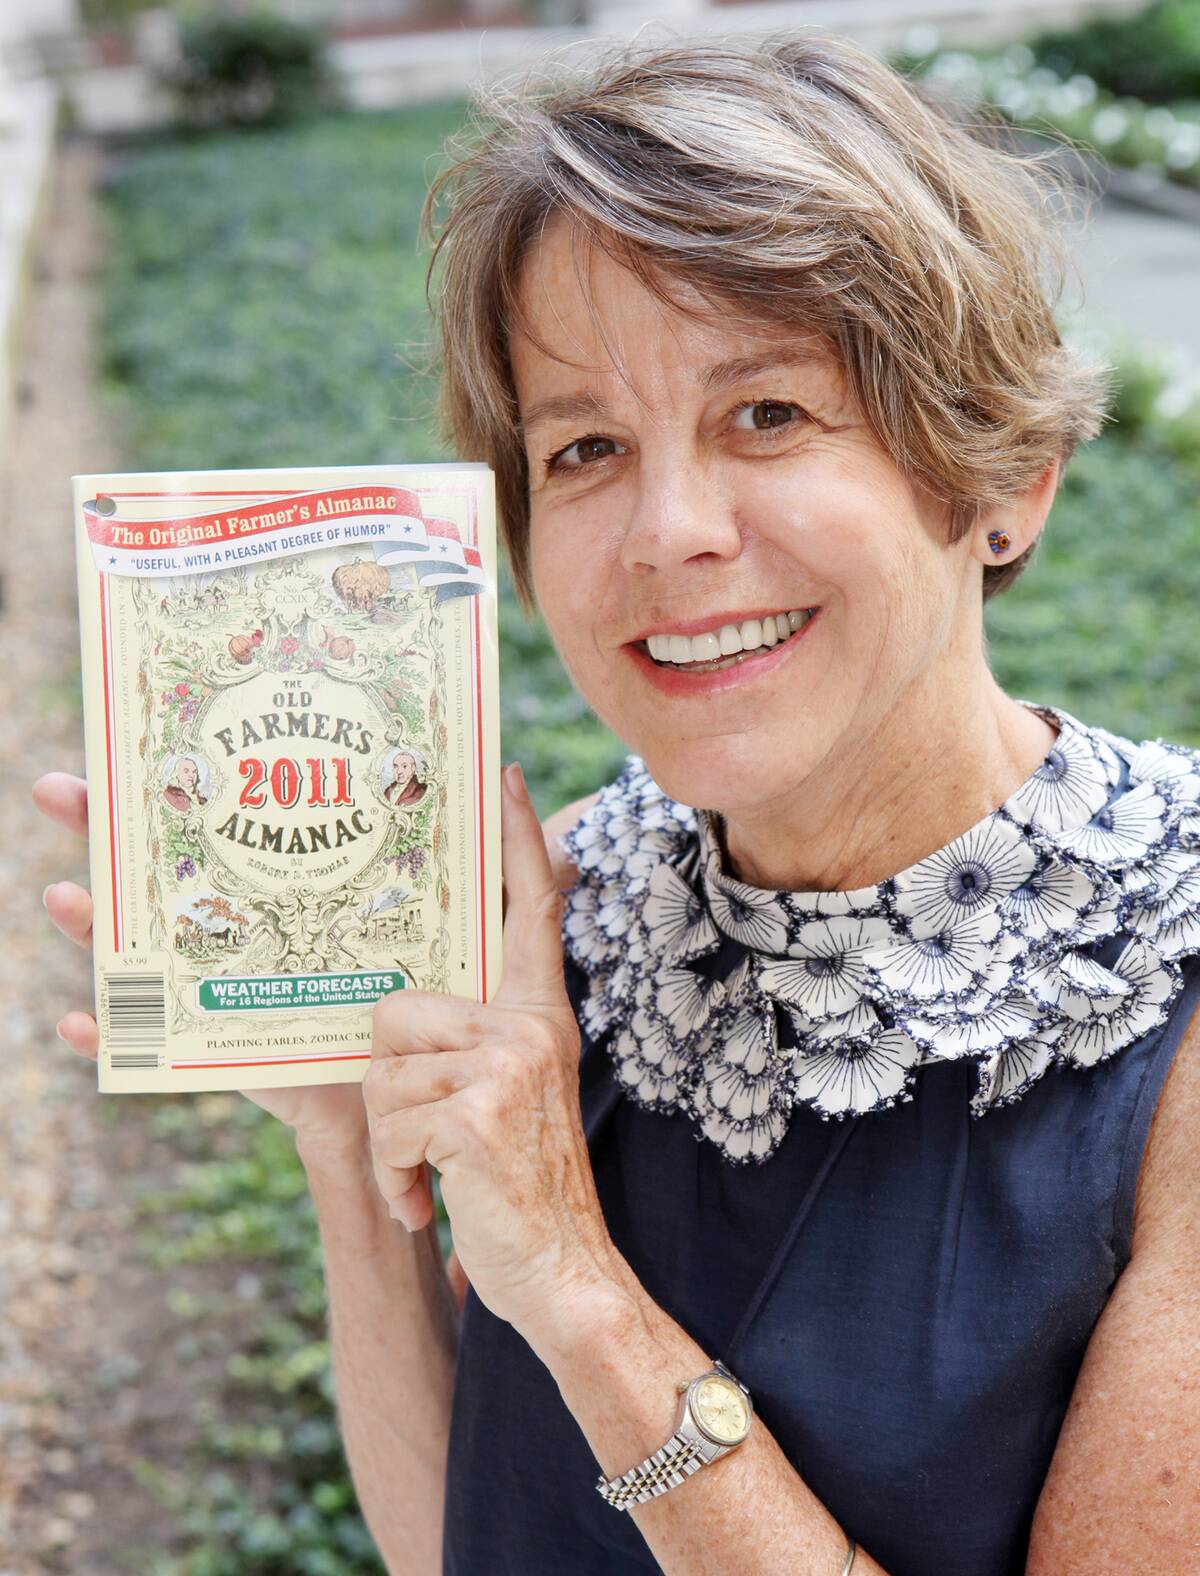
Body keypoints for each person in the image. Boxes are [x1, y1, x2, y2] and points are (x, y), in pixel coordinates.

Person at [32, 29, 1200, 1576]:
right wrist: (340, 1145)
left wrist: (579, 1294)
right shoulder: (567, 904)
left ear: (1002, 474)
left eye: (767, 413)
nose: (666, 532)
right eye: (584, 447)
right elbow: (466, 1538)